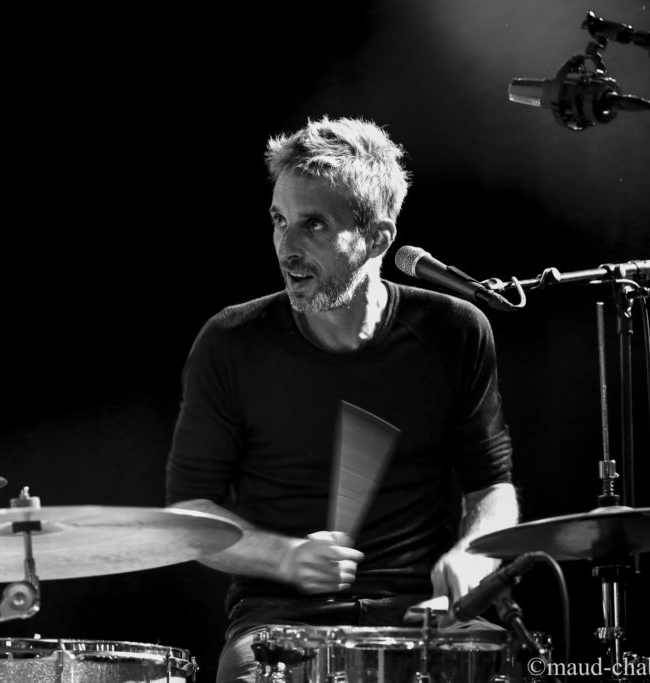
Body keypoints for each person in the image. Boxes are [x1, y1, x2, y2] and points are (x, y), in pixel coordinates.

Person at [165, 116, 519, 683]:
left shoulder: (455, 330)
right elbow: (189, 515)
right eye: (279, 221)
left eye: (314, 225)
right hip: (279, 622)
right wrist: (284, 556)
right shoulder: (231, 341)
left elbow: (491, 486)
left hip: (423, 615)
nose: (287, 248)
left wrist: (474, 554)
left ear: (378, 238)